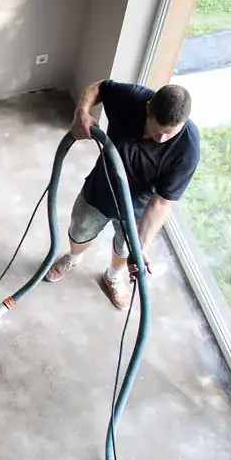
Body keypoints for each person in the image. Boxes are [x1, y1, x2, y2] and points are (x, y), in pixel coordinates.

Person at [45, 80, 200, 309]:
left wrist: (142, 247)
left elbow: (161, 202)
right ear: (148, 109)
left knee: (126, 247)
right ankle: (74, 257)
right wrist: (81, 113)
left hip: (136, 207)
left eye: (170, 134)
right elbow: (98, 88)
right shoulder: (132, 98)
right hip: (100, 186)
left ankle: (113, 276)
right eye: (157, 131)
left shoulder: (187, 149)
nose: (161, 140)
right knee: (79, 228)